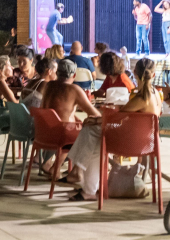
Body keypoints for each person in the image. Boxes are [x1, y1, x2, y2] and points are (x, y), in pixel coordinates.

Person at [67, 57, 163, 201]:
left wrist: (96, 120)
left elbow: (117, 118)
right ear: (153, 75)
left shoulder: (140, 99)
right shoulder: (156, 95)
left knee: (91, 133)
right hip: (148, 143)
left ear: (135, 73)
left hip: (129, 143)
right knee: (95, 137)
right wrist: (97, 120)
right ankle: (86, 183)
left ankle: (80, 172)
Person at [42, 59, 100, 125]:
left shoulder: (48, 85)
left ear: (57, 73)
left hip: (45, 130)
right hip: (63, 132)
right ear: (74, 75)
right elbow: (96, 115)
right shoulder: (74, 89)